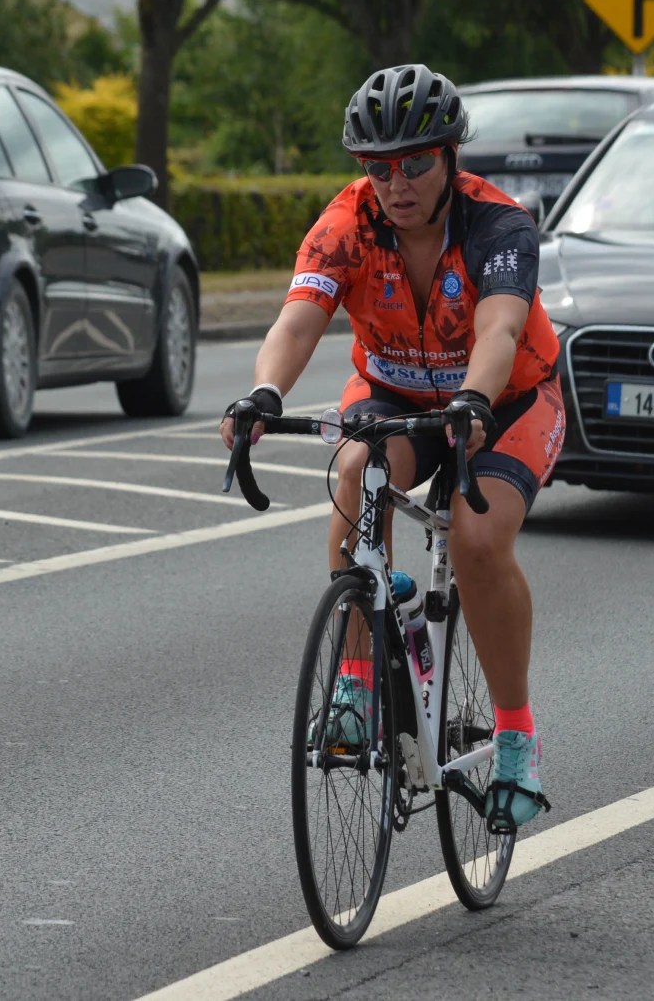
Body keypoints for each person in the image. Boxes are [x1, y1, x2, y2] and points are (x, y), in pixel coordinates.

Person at [220, 63, 565, 830]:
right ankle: (354, 679)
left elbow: (501, 329)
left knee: (477, 540)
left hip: (506, 397)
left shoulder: (499, 226)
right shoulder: (346, 225)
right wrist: (264, 393)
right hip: (397, 394)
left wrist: (475, 400)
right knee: (355, 474)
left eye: (415, 164)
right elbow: (297, 322)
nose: (396, 184)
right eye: (379, 168)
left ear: (449, 157)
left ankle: (516, 736)